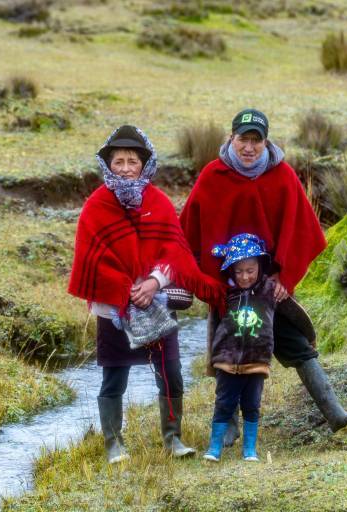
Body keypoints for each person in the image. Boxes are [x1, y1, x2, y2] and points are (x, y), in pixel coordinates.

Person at [180, 109, 347, 442]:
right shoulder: (212, 177)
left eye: (256, 140)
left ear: (266, 141)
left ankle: (335, 413)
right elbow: (187, 233)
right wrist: (205, 283)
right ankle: (230, 427)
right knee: (228, 352)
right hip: (228, 288)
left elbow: (302, 231)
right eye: (242, 139)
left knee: (296, 343)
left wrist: (284, 278)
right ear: (230, 138)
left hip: (269, 286)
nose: (249, 147)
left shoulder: (282, 176)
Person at [68, 125, 226, 464]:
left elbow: (175, 251)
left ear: (145, 164)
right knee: (114, 378)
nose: (125, 168)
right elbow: (94, 259)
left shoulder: (158, 202)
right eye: (119, 161)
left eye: (132, 161)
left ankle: (173, 439)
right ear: (107, 164)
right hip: (115, 309)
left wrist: (153, 282)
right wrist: (126, 292)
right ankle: (114, 444)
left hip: (157, 305)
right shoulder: (96, 206)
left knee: (171, 374)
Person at [204, 233, 276, 462]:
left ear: (260, 268)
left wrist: (310, 338)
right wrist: (212, 358)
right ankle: (214, 448)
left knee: (252, 405)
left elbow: (295, 314)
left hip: (257, 360)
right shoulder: (224, 293)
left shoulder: (270, 291)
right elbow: (213, 324)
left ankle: (250, 450)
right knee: (223, 403)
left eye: (250, 271)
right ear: (231, 271)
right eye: (238, 271)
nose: (244, 277)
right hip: (227, 360)